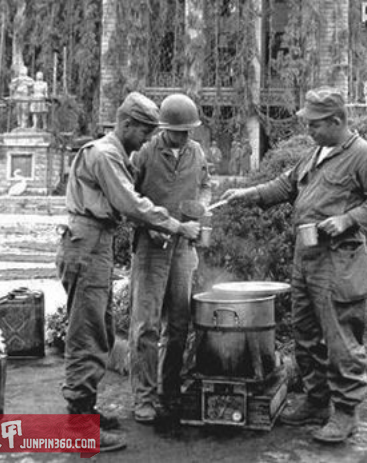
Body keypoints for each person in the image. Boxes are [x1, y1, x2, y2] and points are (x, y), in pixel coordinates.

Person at [221, 87, 367, 444]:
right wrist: (247, 194)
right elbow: (285, 186)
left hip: (339, 263)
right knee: (305, 334)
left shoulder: (364, 155)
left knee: (340, 339)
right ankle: (317, 401)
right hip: (306, 260)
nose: (309, 129)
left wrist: (347, 219)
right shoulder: (315, 153)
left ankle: (345, 413)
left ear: (337, 121)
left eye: (315, 124)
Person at [56, 92, 201, 452]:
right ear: (127, 124)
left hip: (95, 242)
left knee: (100, 329)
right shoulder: (106, 154)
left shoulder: (114, 153)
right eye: (145, 131)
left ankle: (86, 412)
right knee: (86, 334)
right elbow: (130, 202)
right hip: (87, 243)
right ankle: (80, 427)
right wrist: (175, 225)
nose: (148, 139)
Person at [129, 93, 212, 424]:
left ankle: (170, 390)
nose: (184, 137)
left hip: (182, 248)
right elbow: (128, 197)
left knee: (178, 324)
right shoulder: (145, 152)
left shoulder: (196, 152)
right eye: (178, 132)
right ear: (164, 128)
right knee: (146, 326)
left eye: (189, 131)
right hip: (151, 248)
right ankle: (144, 397)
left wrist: (201, 206)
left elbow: (205, 185)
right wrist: (148, 226)